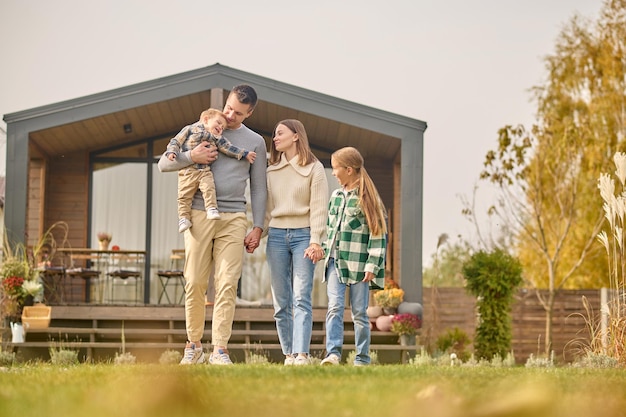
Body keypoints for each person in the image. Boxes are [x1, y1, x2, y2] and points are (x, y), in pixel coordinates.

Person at [158, 85, 267, 365]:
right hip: (197, 214)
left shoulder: (255, 141)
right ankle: (193, 345)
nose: (230, 116)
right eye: (228, 108)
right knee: (194, 281)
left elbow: (258, 187)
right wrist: (190, 157)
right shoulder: (200, 127)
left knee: (227, 282)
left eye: (238, 113)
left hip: (233, 218)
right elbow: (163, 165)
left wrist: (257, 226)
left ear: (250, 113)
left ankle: (220, 348)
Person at [265, 119, 328, 366]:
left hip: (304, 236)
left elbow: (319, 208)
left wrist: (315, 241)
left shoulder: (315, 168)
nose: (274, 138)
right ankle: (289, 354)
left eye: (279, 133)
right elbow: (268, 211)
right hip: (277, 237)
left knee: (301, 296)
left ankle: (302, 353)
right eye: (274, 134)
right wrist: (257, 234)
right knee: (281, 301)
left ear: (295, 136)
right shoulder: (271, 171)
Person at [316, 146, 387, 366]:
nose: (334, 173)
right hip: (335, 262)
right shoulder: (336, 196)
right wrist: (322, 250)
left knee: (359, 313)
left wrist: (372, 265)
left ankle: (362, 358)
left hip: (359, 264)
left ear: (348, 169)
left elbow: (378, 234)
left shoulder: (368, 198)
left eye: (336, 168)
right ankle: (333, 354)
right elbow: (330, 230)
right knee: (335, 307)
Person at [166, 108, 257, 233]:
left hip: (204, 171)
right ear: (206, 119)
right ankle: (183, 218)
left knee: (209, 188)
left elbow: (228, 147)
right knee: (183, 196)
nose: (221, 127)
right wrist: (172, 152)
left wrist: (245, 154)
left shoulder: (216, 137)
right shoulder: (190, 129)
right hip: (187, 172)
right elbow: (176, 141)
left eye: (223, 127)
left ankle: (211, 208)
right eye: (218, 123)